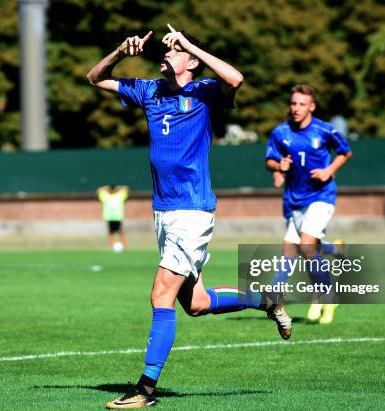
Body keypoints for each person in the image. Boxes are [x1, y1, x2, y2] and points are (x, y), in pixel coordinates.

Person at [88, 24, 291, 409]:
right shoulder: (149, 90)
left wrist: (190, 43)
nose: (165, 52)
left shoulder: (205, 92)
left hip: (192, 212)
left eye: (174, 50)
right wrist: (118, 52)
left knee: (160, 295)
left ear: (192, 61)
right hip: (164, 214)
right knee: (195, 303)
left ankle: (145, 390)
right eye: (167, 48)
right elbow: (95, 78)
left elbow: (236, 77)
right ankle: (266, 299)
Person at [265, 84, 352, 325]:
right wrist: (278, 168)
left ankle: (325, 296)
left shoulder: (324, 130)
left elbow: (345, 151)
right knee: (297, 250)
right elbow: (271, 161)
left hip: (321, 196)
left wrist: (329, 170)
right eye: (293, 103)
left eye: (302, 104)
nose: (296, 108)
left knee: (305, 245)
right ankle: (333, 257)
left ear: (311, 106)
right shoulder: (281, 132)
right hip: (295, 199)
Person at [97, 185, 129, 251]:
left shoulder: (119, 195)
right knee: (111, 233)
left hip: (118, 217)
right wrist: (108, 187)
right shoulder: (106, 196)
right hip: (109, 217)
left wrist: (117, 188)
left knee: (121, 232)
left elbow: (126, 188)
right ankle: (112, 246)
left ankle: (125, 246)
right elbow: (98, 190)